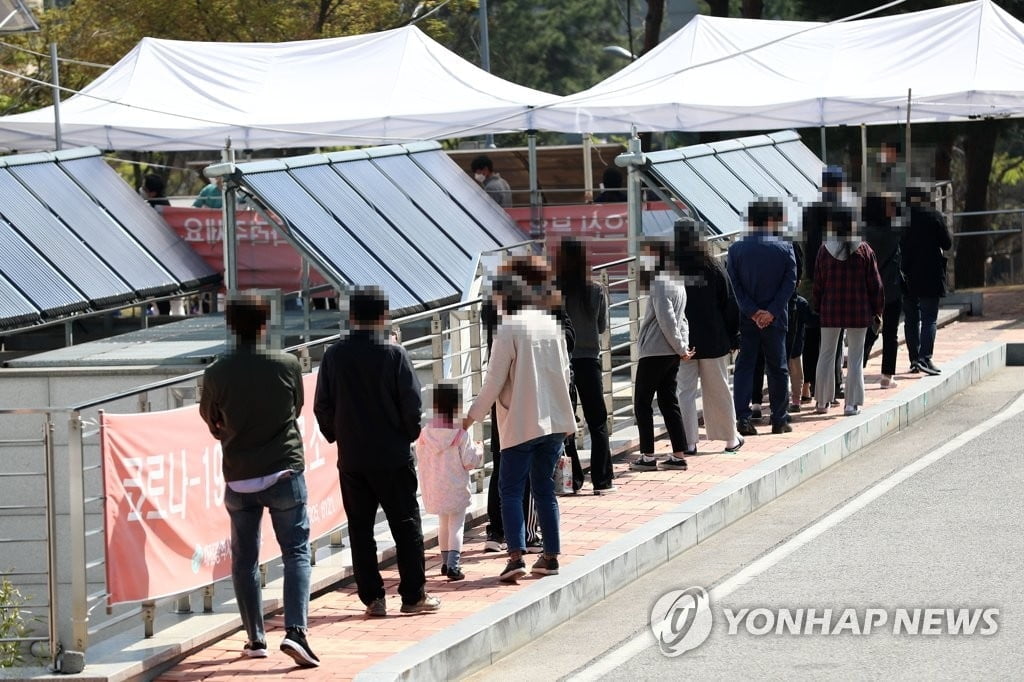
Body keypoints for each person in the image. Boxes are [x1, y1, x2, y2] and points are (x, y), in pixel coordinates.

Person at [198, 294, 319, 668]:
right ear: (264, 324)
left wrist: (229, 435)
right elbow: (297, 408)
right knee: (296, 551)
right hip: (284, 471)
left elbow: (210, 418)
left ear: (231, 326)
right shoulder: (287, 363)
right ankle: (296, 632)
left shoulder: (216, 371)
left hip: (239, 478)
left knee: (244, 558)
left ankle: (255, 639)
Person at [313, 286, 439, 617]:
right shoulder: (395, 354)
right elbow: (412, 404)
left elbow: (322, 405)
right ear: (383, 317)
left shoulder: (333, 355)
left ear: (352, 317)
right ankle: (413, 596)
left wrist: (336, 435)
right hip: (392, 454)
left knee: (360, 528)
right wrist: (408, 435)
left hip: (353, 456)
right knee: (406, 524)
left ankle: (373, 598)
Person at [462, 272, 575, 583]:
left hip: (521, 423)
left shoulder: (507, 329)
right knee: (544, 490)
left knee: (510, 489)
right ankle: (550, 555)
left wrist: (471, 416)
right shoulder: (550, 325)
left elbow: (494, 382)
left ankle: (515, 558)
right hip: (552, 420)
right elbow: (566, 373)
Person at [673, 220, 744, 454]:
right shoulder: (712, 266)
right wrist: (734, 335)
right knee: (719, 389)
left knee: (685, 392)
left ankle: (689, 442)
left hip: (683, 342)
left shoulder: (671, 268)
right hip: (714, 338)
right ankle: (730, 438)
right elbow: (729, 302)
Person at [728, 199, 798, 436]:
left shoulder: (736, 249)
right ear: (770, 220)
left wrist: (752, 311)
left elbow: (735, 286)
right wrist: (772, 311)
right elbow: (790, 283)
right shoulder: (785, 247)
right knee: (777, 368)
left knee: (745, 366)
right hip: (775, 318)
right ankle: (779, 418)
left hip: (748, 319)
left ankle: (743, 419)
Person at [555, 238, 615, 493]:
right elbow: (602, 327)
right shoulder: (596, 289)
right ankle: (602, 480)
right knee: (597, 420)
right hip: (590, 360)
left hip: (563, 362)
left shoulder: (555, 290)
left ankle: (573, 480)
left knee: (567, 420)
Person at [812, 206, 884, 416]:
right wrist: (877, 309)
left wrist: (818, 307)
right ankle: (851, 404)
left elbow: (818, 284)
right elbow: (876, 285)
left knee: (825, 355)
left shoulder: (825, 250)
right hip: (858, 310)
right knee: (855, 358)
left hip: (830, 310)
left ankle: (822, 402)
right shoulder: (864, 250)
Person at [630, 239, 694, 471]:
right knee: (669, 402)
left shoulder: (659, 283)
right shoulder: (678, 283)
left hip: (655, 351)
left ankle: (647, 456)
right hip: (671, 354)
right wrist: (682, 348)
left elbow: (666, 321)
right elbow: (682, 320)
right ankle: (678, 453)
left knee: (642, 403)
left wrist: (680, 347)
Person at [416, 383, 483, 582]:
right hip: (455, 486)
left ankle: (445, 563)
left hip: (435, 487)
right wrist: (479, 451)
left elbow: (420, 457)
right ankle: (454, 565)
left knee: (443, 524)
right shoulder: (460, 434)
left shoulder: (425, 433)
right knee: (457, 526)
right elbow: (469, 461)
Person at [901, 185, 953, 376]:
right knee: (929, 317)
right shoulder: (935, 217)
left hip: (907, 274)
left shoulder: (901, 220)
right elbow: (947, 243)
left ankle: (914, 359)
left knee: (911, 318)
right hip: (931, 274)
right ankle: (925, 357)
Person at [862, 193, 904, 387]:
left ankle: (858, 366)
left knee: (866, 330)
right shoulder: (893, 231)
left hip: (868, 290)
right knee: (891, 332)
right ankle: (887, 375)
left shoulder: (863, 234)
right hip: (891, 288)